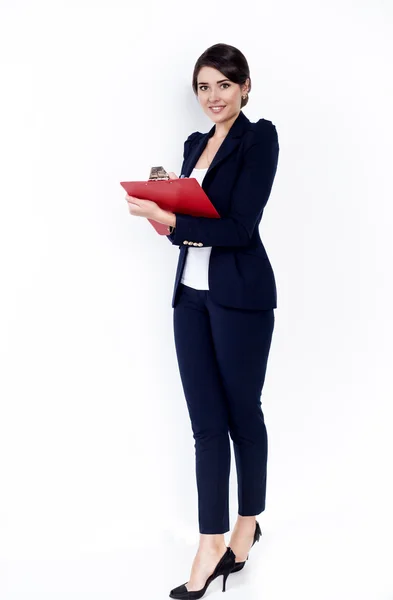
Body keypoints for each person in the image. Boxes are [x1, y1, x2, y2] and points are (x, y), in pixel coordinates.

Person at [126, 42, 279, 599]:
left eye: (223, 84)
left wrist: (172, 215)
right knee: (205, 427)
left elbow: (239, 229)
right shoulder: (194, 144)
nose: (213, 97)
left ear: (244, 86)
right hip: (189, 299)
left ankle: (246, 525)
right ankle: (210, 540)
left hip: (241, 298)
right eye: (204, 87)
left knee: (243, 414)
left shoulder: (260, 139)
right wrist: (164, 207)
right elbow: (192, 227)